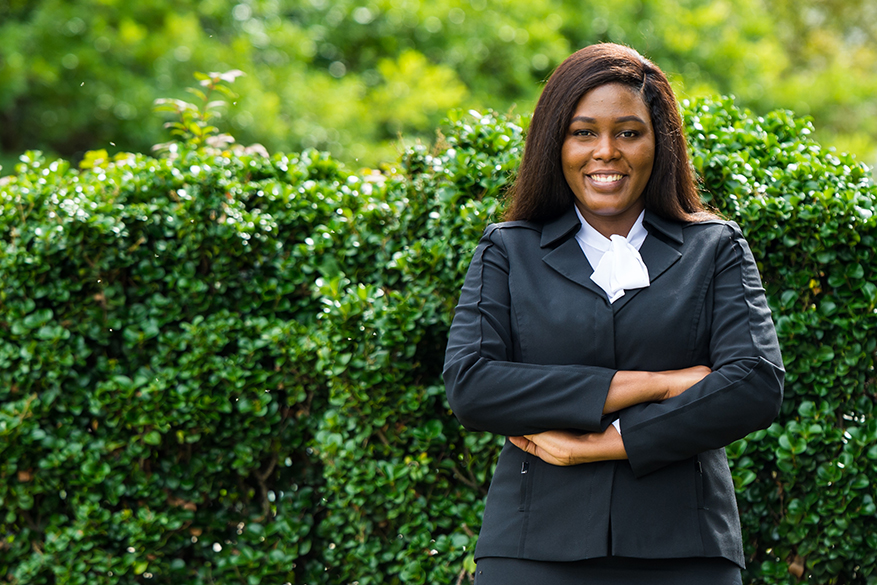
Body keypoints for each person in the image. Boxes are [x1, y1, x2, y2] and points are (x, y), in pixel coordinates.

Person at [442, 43, 784, 585]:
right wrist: (652, 384)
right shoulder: (508, 250)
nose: (606, 151)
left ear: (659, 143)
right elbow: (472, 384)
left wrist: (603, 445)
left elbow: (755, 384)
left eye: (628, 132)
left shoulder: (714, 247)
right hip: (533, 551)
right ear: (555, 144)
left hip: (684, 549)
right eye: (583, 132)